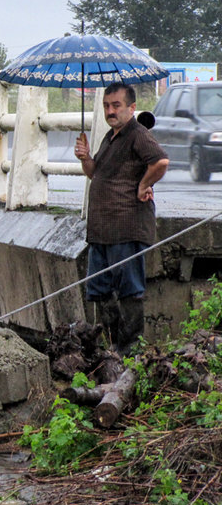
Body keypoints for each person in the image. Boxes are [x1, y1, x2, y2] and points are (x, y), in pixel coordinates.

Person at [74, 82, 169, 355]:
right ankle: (112, 347)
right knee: (100, 289)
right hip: (101, 231)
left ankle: (131, 351)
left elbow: (160, 162)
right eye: (106, 106)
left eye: (116, 105)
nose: (110, 111)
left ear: (131, 107)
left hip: (126, 227)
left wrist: (143, 185)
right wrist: (85, 157)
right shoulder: (111, 136)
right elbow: (96, 173)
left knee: (129, 290)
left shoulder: (137, 134)